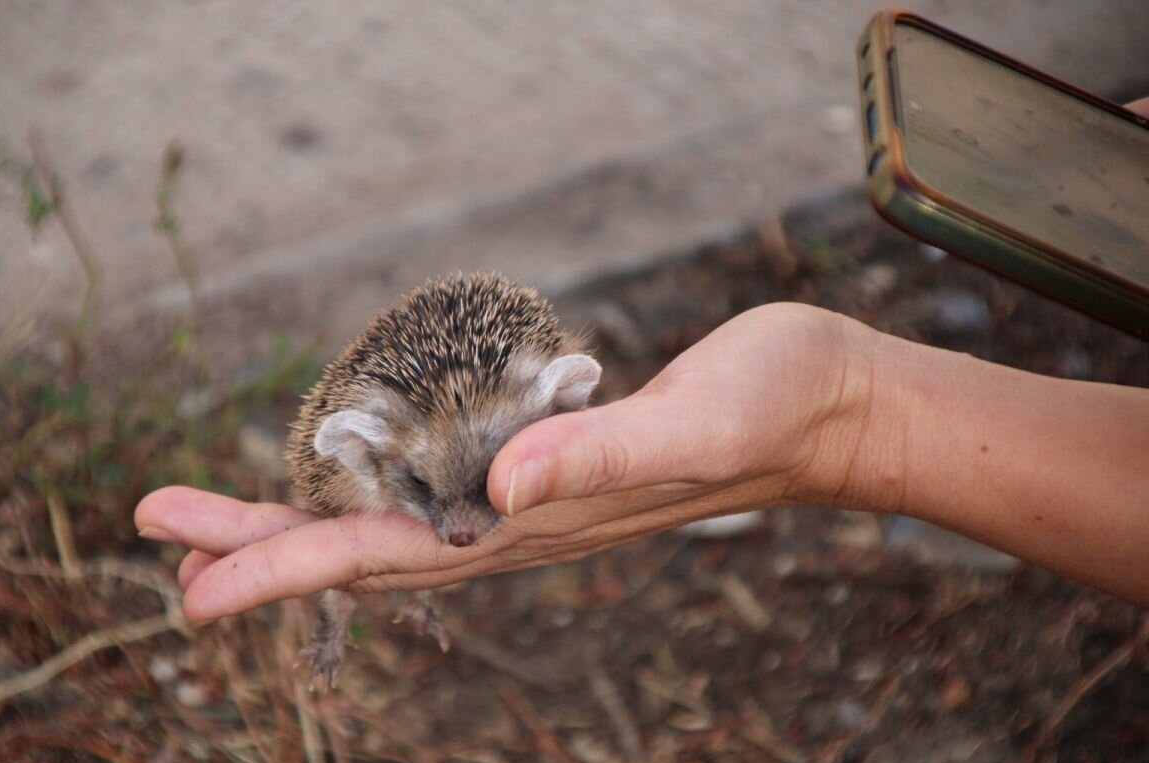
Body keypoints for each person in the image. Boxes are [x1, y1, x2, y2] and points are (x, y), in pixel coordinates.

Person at [136, 98, 1149, 621]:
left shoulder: (546, 382)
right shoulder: (375, 443)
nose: (458, 530)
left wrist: (844, 410)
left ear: (560, 395)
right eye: (432, 490)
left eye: (478, 482)